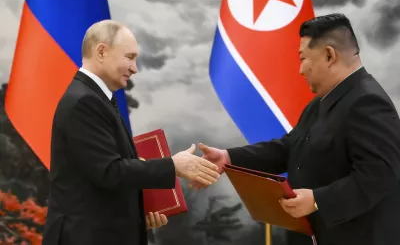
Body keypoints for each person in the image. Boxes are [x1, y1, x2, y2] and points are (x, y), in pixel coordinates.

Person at [195, 13, 400, 245]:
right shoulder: (321, 102)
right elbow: (290, 148)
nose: (301, 70)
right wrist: (229, 157)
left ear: (329, 55)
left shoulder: (368, 102)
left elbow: (380, 175)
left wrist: (317, 200)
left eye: (303, 59)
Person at [42, 20, 220, 245]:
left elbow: (99, 178)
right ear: (102, 51)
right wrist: (173, 165)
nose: (135, 68)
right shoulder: (84, 101)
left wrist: (139, 213)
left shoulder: (94, 97)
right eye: (129, 57)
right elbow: (110, 171)